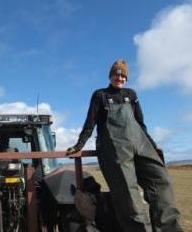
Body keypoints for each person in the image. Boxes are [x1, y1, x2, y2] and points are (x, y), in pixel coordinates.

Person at [67, 59, 184, 232]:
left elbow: (140, 124)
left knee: (161, 180)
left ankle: (170, 228)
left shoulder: (132, 94)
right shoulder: (100, 95)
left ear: (126, 78)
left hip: (140, 144)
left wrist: (152, 145)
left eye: (123, 76)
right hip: (115, 149)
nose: (119, 78)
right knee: (128, 195)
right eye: (116, 74)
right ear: (110, 75)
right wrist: (79, 145)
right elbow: (90, 123)